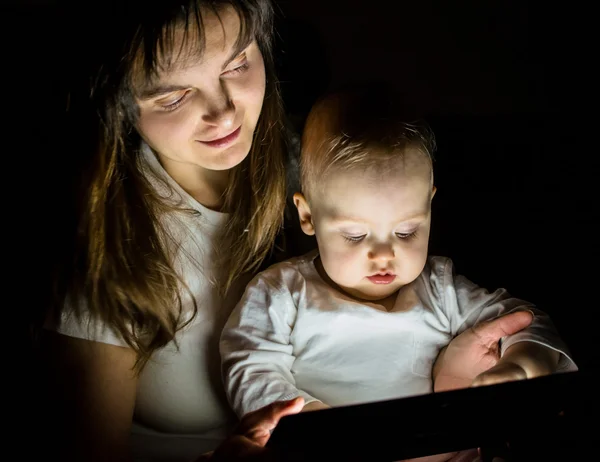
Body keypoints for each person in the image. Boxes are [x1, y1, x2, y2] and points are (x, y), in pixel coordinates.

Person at [35, 1, 552, 461]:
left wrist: (459, 370)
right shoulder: (109, 247)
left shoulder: (317, 164)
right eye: (173, 97)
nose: (223, 112)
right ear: (121, 106)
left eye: (238, 64)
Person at [220, 91, 577, 423]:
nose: (384, 254)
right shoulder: (282, 293)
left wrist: (523, 362)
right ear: (308, 217)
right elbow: (250, 367)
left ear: (429, 208)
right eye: (355, 235)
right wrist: (313, 423)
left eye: (406, 232)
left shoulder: (440, 290)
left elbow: (525, 320)